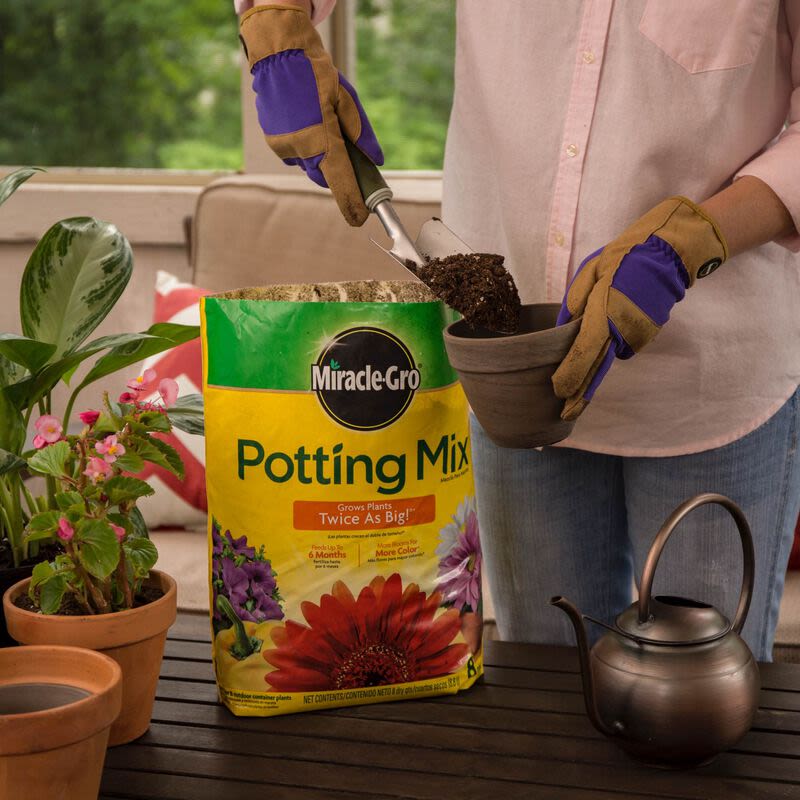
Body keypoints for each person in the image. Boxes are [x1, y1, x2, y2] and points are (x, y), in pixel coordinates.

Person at [234, 0, 800, 661]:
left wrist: (698, 237)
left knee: (698, 704)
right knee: (544, 697)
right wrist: (278, 23)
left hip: (710, 378)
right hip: (510, 377)